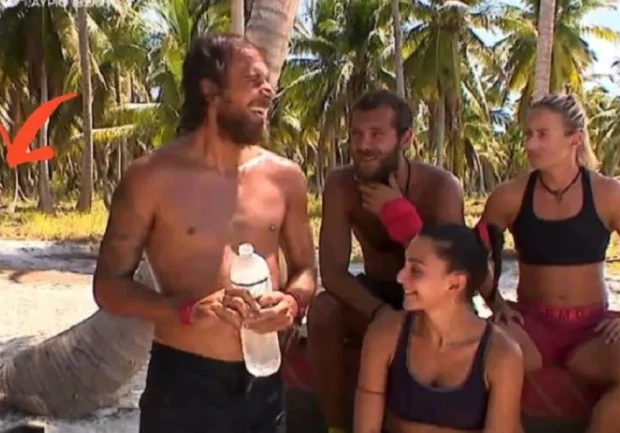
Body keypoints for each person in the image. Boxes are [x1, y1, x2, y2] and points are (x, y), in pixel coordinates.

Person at [92, 33, 317, 433]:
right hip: (184, 383)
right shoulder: (150, 179)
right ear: (210, 90)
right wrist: (186, 311)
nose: (268, 91)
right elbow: (108, 286)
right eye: (253, 79)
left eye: (267, 81)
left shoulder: (285, 178)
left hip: (265, 381)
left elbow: (305, 270)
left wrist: (292, 303)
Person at [476, 93, 620, 433]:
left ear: (574, 139)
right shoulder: (509, 196)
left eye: (542, 135)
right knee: (475, 355)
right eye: (528, 134)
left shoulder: (609, 194)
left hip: (591, 331)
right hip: (529, 326)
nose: (530, 144)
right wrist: (496, 303)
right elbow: (474, 255)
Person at [307, 89, 465, 433]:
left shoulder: (440, 188)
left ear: (405, 138)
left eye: (377, 134)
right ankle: (336, 427)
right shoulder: (341, 185)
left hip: (431, 302)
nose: (364, 145)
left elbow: (454, 270)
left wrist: (399, 215)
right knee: (322, 312)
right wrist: (379, 312)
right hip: (377, 295)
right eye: (357, 134)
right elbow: (332, 272)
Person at [354, 223, 524, 433]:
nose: (400, 277)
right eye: (405, 266)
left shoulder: (501, 355)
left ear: (455, 284)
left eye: (416, 270)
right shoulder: (385, 335)